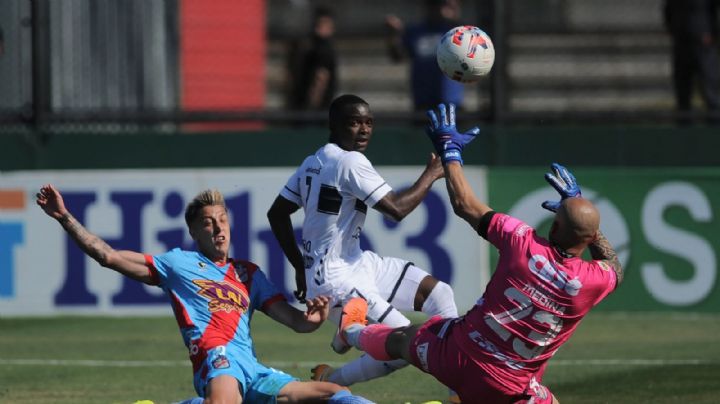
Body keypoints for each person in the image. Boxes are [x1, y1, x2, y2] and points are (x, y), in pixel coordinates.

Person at [335, 103, 624, 403]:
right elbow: (613, 264)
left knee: (401, 340)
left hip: (454, 355)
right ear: (589, 237)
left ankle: (353, 331)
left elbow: (464, 204)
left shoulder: (521, 242)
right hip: (509, 389)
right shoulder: (592, 281)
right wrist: (582, 214)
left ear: (553, 227)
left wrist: (451, 153)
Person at [36, 185, 373, 404]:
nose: (218, 227)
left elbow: (296, 322)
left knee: (336, 395)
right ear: (194, 231)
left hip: (252, 370)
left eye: (223, 219)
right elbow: (107, 256)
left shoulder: (248, 273)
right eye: (209, 222)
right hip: (217, 360)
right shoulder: (178, 264)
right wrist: (64, 217)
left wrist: (312, 319)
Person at [267, 94, 460, 395]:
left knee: (440, 294)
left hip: (357, 263)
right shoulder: (350, 162)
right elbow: (397, 209)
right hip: (337, 281)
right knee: (407, 340)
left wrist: (299, 265)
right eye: (355, 122)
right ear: (334, 125)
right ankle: (337, 377)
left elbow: (277, 213)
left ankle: (457, 392)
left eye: (369, 123)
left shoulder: (313, 161)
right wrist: (432, 173)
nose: (364, 130)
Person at [385, 0, 465, 112]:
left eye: (448, 6)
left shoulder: (458, 31)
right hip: (423, 102)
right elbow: (397, 57)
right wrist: (394, 35)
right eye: (436, 5)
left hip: (451, 102)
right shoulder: (415, 31)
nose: (441, 10)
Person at [663, 0, 720, 122]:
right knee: (683, 91)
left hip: (703, 43)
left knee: (710, 90)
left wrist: (712, 33)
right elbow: (668, 9)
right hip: (681, 41)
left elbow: (713, 9)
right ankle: (684, 131)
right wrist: (672, 29)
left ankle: (714, 129)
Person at [286, 6, 338, 112]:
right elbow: (321, 77)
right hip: (313, 106)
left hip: (303, 103)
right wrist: (313, 103)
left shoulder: (308, 45)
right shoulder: (323, 48)